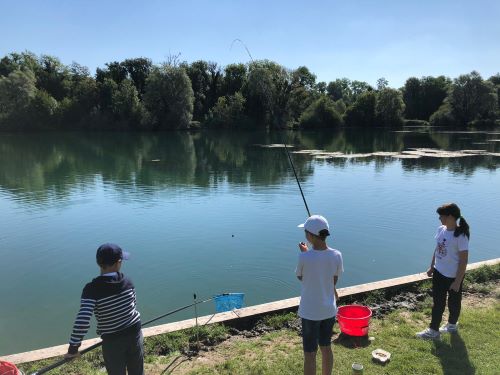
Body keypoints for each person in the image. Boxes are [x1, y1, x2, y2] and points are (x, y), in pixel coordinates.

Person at [65, 243, 144, 375]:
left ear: (98, 263)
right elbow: (133, 304)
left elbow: (83, 320)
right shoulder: (128, 281)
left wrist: (73, 348)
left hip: (112, 341)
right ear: (118, 263)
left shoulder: (91, 289)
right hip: (134, 333)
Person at [295, 215, 343, 375]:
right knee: (326, 347)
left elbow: (302, 277)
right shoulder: (337, 255)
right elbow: (333, 281)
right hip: (329, 311)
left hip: (310, 312)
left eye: (305, 233)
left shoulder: (304, 257)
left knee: (310, 353)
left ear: (309, 235)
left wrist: (306, 253)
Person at [416, 203, 470, 340]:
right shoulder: (441, 229)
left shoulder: (461, 236)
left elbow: (463, 261)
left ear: (450, 217)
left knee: (454, 302)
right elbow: (437, 248)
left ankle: (452, 325)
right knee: (438, 303)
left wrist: (457, 282)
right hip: (439, 273)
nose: (439, 218)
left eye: (441, 216)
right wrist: (432, 266)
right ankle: (434, 331)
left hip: (453, 276)